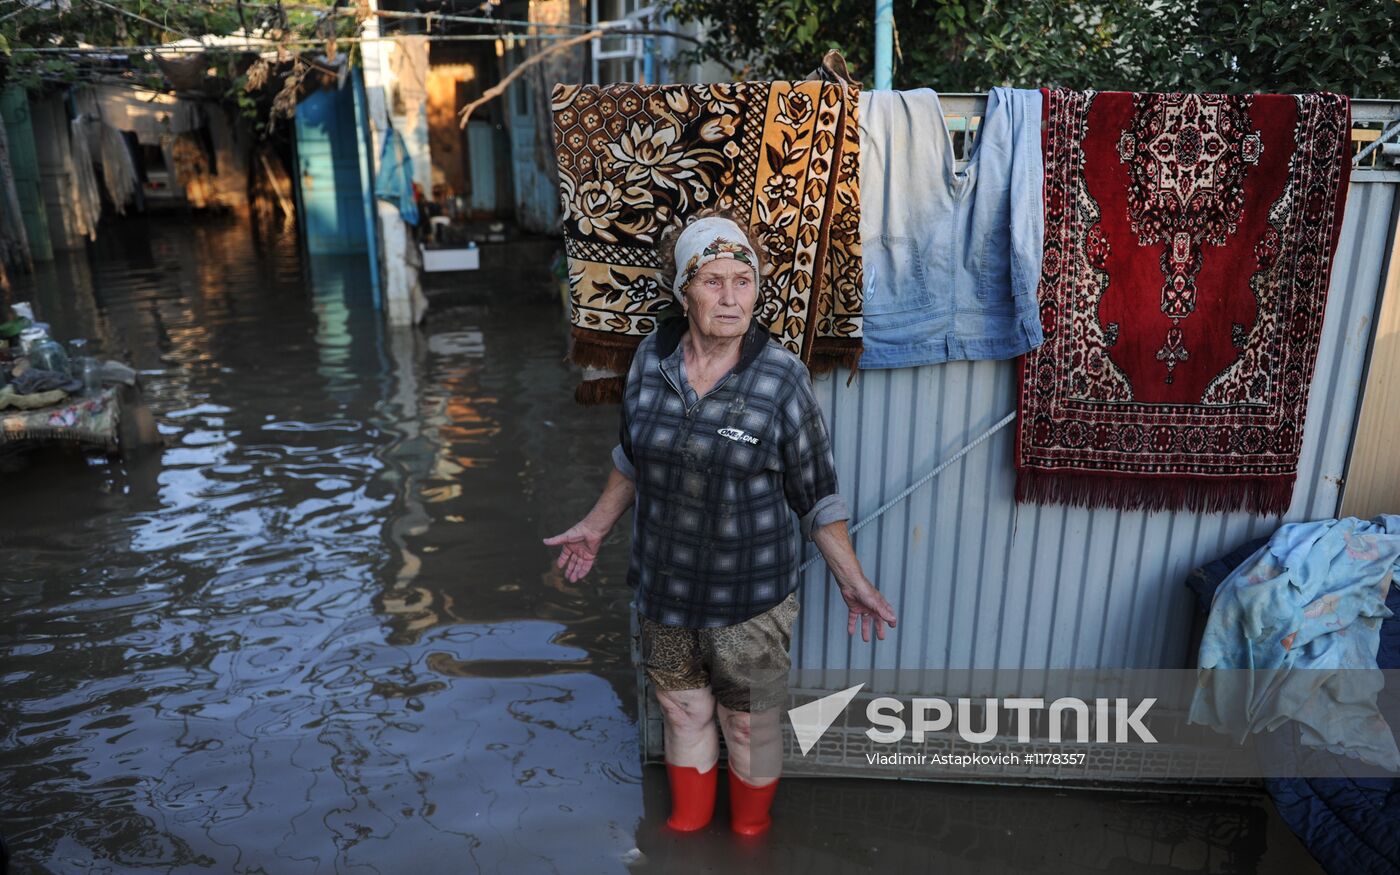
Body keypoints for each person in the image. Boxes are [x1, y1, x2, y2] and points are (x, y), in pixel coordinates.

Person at [544, 212, 896, 836]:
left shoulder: (781, 377)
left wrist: (852, 579)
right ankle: (684, 839)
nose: (732, 299)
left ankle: (751, 842)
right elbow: (632, 458)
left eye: (744, 281)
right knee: (682, 715)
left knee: (748, 724)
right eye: (713, 281)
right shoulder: (651, 360)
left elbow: (817, 495)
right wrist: (596, 526)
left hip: (750, 600)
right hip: (665, 592)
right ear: (684, 289)